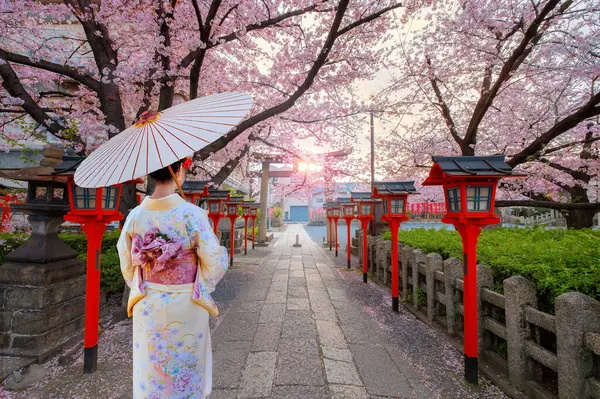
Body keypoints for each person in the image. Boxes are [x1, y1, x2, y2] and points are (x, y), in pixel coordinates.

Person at [117, 158, 228, 398]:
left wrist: (148, 276)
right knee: (185, 359)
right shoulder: (192, 214)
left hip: (149, 299)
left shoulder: (135, 215)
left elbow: (126, 262)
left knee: (151, 362)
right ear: (178, 170)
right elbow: (213, 260)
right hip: (186, 300)